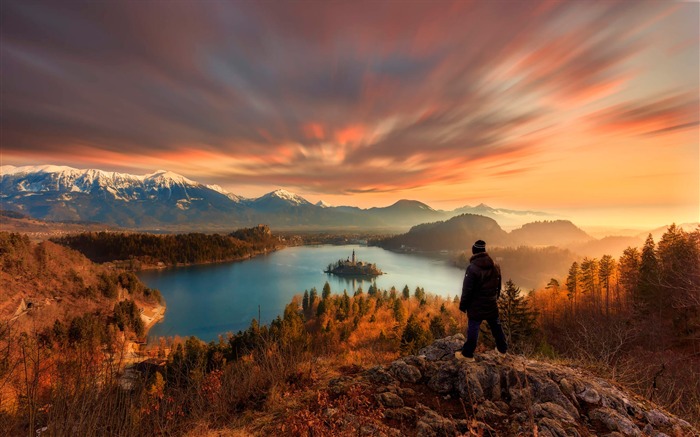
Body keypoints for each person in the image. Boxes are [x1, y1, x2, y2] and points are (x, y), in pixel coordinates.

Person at [455, 240, 508, 361]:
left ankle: (467, 355)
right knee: (496, 327)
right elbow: (498, 286)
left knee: (473, 328)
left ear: (474, 251)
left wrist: (463, 306)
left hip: (476, 305)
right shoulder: (495, 265)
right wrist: (495, 298)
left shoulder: (472, 268)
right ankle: (502, 350)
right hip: (491, 303)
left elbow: (467, 290)